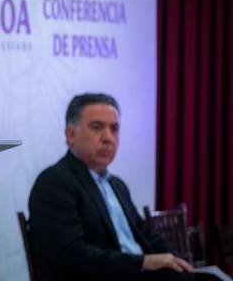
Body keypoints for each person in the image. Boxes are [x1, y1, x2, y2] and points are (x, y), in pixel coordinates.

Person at [28, 93, 197, 281]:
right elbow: (70, 256)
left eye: (114, 129)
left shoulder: (117, 185)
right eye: (96, 127)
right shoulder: (54, 182)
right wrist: (143, 262)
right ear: (71, 134)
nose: (108, 138)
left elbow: (145, 234)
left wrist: (175, 259)